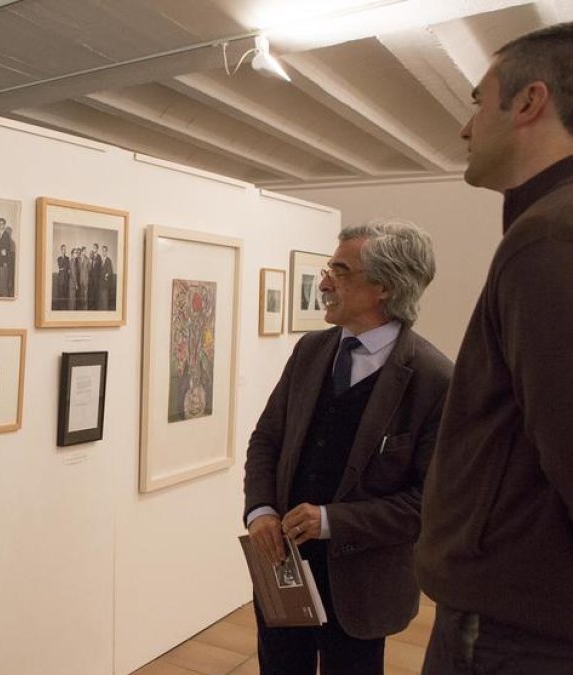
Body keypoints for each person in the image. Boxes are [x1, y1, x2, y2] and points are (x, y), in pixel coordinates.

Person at [416, 23, 573, 674]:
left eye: (479, 101)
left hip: (515, 630)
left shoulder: (550, 237)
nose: (465, 127)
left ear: (530, 102)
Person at [244, 219, 452, 675]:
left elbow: (428, 504)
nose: (323, 283)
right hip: (284, 568)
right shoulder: (310, 351)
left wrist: (330, 521)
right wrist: (260, 510)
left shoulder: (435, 380)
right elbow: (266, 439)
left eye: (339, 271)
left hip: (362, 587)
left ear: (384, 285)